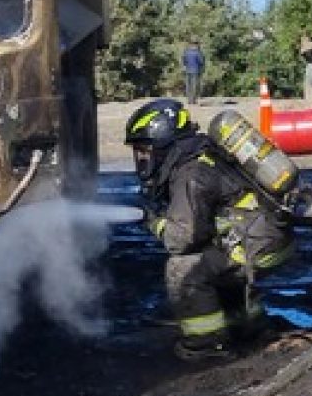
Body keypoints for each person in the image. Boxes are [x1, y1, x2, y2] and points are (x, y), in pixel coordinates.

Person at [124, 98, 295, 361]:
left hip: (255, 247)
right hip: (264, 238)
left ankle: (207, 343)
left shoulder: (191, 174)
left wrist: (154, 222)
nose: (142, 160)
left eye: (144, 151)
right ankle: (246, 327)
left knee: (183, 268)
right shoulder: (202, 155)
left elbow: (181, 239)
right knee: (213, 256)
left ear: (161, 144)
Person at [182, 40, 205, 105]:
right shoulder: (197, 53)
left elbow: (184, 61)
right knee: (194, 85)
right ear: (195, 45)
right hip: (195, 70)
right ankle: (193, 100)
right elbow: (201, 61)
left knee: (188, 86)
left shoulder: (186, 52)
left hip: (187, 70)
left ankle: (189, 99)